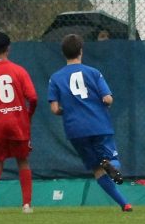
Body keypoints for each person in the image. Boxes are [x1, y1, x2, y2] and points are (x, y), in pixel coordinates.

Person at [48, 34, 132, 212]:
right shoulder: (93, 72)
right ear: (81, 51)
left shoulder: (55, 78)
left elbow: (55, 109)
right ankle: (112, 166)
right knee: (111, 158)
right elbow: (108, 99)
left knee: (96, 168)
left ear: (64, 54)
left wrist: (68, 109)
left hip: (75, 129)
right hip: (98, 123)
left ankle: (124, 204)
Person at [0, 32, 37, 214]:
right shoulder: (19, 70)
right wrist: (27, 115)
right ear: (9, 48)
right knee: (23, 161)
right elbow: (32, 97)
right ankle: (26, 205)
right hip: (17, 122)